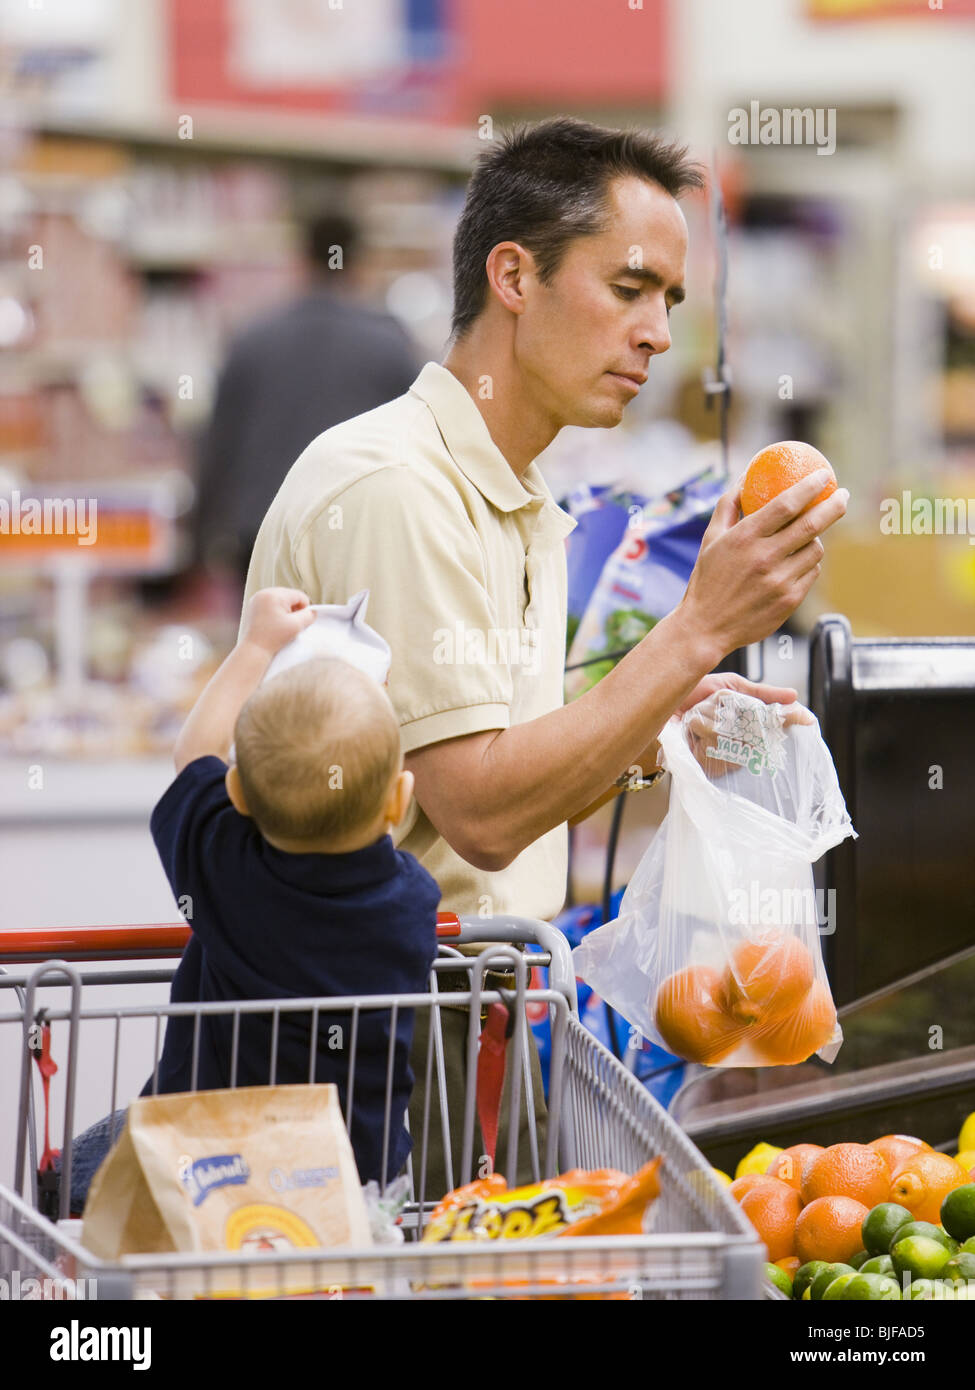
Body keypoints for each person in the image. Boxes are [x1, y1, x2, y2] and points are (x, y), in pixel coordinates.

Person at [242, 117, 849, 1188]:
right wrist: (695, 627)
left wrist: (659, 733)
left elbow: (502, 759)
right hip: (374, 1040)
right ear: (514, 276)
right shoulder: (396, 487)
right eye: (630, 288)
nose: (660, 332)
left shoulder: (521, 503)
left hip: (477, 1015)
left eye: (670, 298)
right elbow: (478, 812)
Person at [65, 588, 440, 1208]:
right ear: (398, 802)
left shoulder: (223, 867)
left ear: (237, 792)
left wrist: (257, 647)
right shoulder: (409, 905)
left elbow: (194, 756)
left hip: (211, 1172)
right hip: (351, 1184)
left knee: (83, 1174)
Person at [193, 211, 422, 584]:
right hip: (356, 536)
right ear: (359, 262)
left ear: (300, 260)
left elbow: (218, 445)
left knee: (269, 639)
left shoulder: (252, 338)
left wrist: (199, 538)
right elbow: (419, 446)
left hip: (265, 533)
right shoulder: (390, 344)